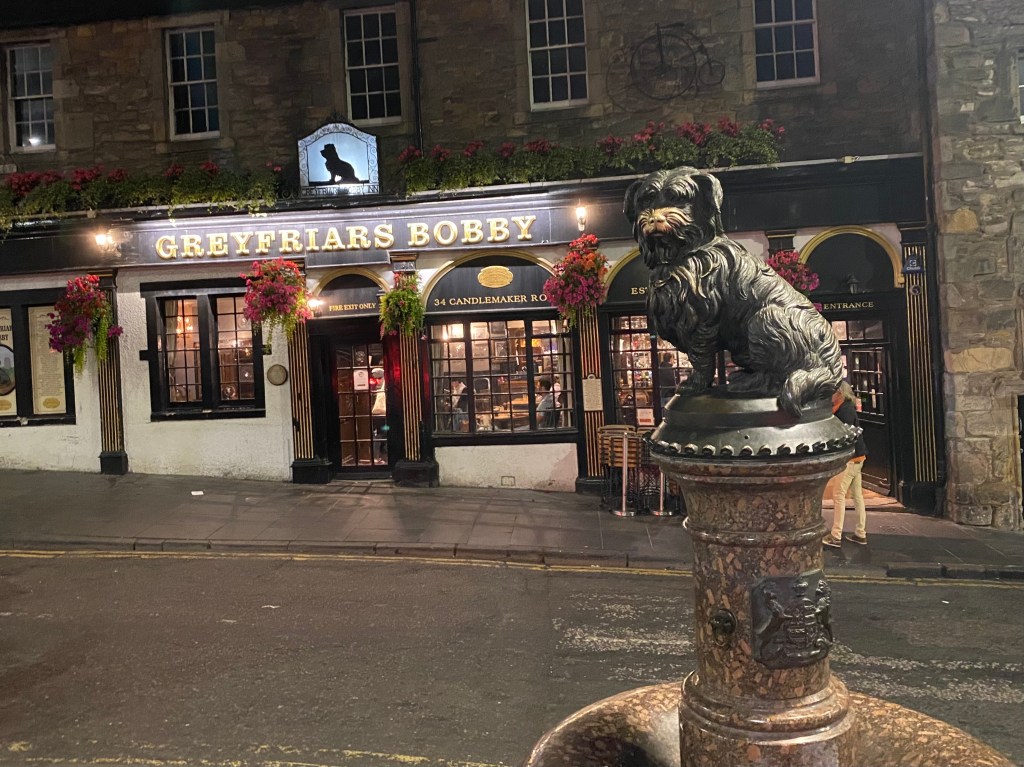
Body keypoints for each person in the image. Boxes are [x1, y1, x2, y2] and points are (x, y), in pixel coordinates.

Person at [823, 381, 868, 548]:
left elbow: (844, 434)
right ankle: (860, 533)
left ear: (840, 393)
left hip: (850, 458)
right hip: (858, 457)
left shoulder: (845, 409)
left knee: (838, 494)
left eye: (833, 392)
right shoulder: (842, 407)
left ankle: (835, 535)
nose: (830, 395)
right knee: (857, 495)